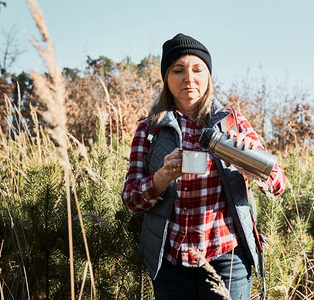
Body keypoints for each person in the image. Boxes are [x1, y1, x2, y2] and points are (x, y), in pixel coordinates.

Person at [122, 33, 286, 300]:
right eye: (178, 70)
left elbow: (278, 183)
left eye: (198, 69)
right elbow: (130, 198)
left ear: (208, 75)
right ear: (166, 78)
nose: (189, 78)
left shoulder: (232, 122)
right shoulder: (149, 129)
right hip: (171, 261)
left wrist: (250, 162)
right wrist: (162, 177)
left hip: (227, 255)